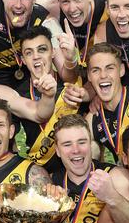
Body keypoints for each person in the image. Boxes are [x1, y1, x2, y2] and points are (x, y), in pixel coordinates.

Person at [16, 26, 83, 172]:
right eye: (29, 52)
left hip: (78, 162)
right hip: (41, 169)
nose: (36, 56)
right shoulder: (18, 94)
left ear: (53, 52)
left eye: (42, 50)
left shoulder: (71, 84)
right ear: (23, 60)